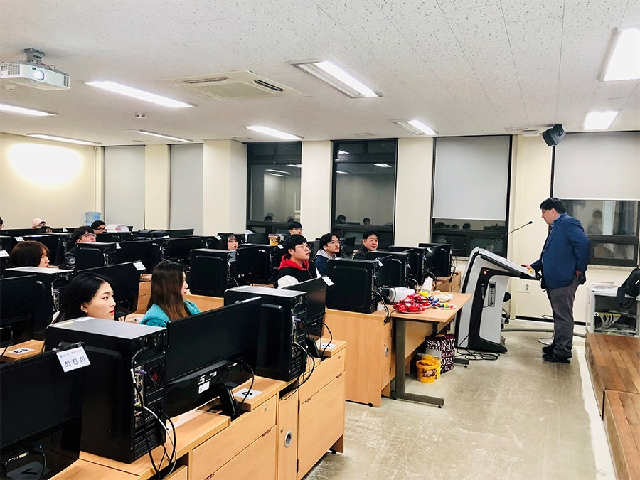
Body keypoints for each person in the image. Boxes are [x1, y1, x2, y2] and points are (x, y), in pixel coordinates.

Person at [525, 198, 590, 363]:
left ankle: (562, 351)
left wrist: (580, 269)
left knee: (563, 316)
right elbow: (549, 254)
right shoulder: (557, 226)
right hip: (555, 279)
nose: (542, 216)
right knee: (559, 315)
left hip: (564, 279)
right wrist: (534, 266)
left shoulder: (568, 223)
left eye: (543, 212)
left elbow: (583, 244)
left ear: (552, 211)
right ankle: (558, 345)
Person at [141, 261, 201, 327]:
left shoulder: (189, 306)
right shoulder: (154, 321)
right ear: (169, 286)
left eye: (185, 280)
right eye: (182, 281)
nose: (186, 285)